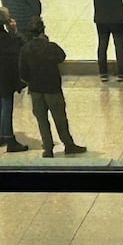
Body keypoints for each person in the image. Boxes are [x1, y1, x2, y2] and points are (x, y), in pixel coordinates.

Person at [19, 18, 87, 158]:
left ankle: (48, 148)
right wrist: (48, 42)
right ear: (43, 31)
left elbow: (22, 73)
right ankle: (68, 144)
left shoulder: (25, 49)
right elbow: (61, 56)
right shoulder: (50, 47)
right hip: (52, 88)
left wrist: (30, 82)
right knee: (60, 118)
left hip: (36, 90)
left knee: (42, 120)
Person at [0, 7, 28, 152]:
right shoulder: (6, 39)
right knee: (7, 105)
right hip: (6, 76)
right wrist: (14, 32)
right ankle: (9, 138)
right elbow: (20, 47)